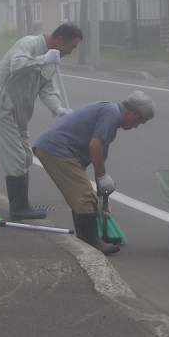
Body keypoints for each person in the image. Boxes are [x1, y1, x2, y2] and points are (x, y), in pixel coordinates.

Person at [33, 92, 154, 256]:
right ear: (135, 113)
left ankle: (87, 239)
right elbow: (95, 145)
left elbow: (100, 154)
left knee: (85, 196)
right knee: (83, 196)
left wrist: (101, 186)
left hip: (58, 150)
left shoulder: (111, 114)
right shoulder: (112, 113)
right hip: (57, 149)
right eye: (139, 122)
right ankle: (91, 241)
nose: (136, 126)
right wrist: (102, 177)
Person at [0, 22, 82, 220]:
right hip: (3, 108)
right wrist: (43, 59)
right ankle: (18, 208)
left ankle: (23, 204)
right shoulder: (29, 44)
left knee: (26, 158)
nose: (70, 52)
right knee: (16, 159)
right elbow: (17, 64)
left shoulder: (51, 59)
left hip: (21, 114)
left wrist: (58, 108)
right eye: (71, 47)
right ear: (60, 40)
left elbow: (47, 88)